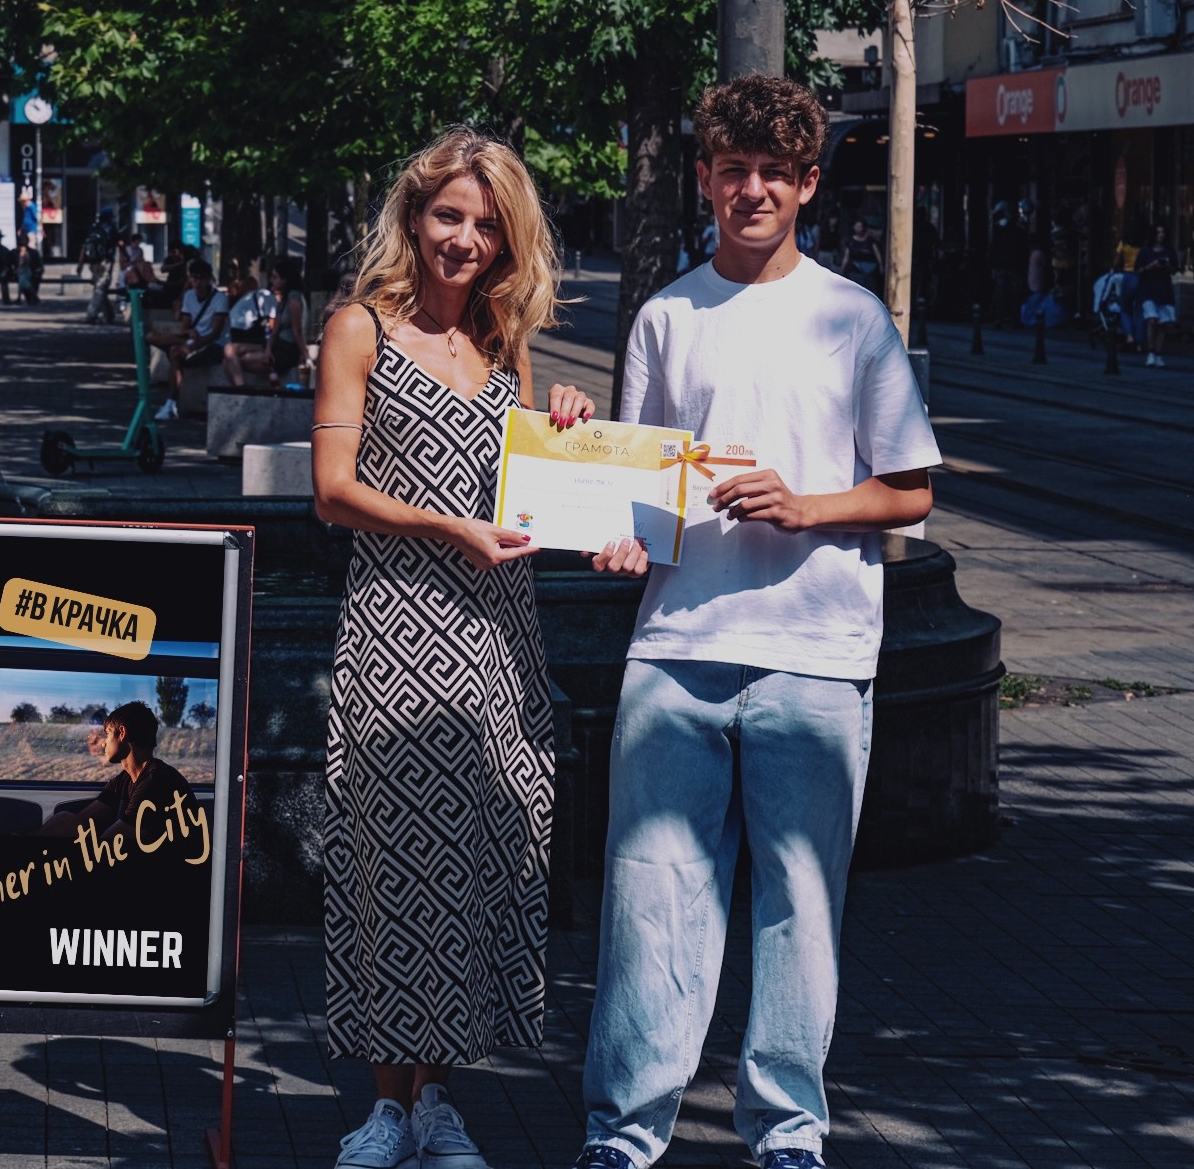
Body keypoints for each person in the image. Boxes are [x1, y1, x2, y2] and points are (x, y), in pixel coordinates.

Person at [571, 76, 938, 1169]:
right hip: (676, 648)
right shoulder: (665, 316)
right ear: (704, 178)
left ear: (807, 185)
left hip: (814, 653)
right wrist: (615, 532)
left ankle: (787, 1130)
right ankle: (624, 1130)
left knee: (801, 907)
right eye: (733, 170)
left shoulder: (852, 317)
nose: (752, 190)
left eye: (774, 173)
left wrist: (805, 505)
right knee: (649, 901)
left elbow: (910, 490)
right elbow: (639, 496)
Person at [313, 126, 591, 1169]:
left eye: (485, 223)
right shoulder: (359, 329)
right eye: (447, 215)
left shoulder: (503, 341)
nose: (463, 239)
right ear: (413, 215)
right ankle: (385, 1107)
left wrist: (563, 422)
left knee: (475, 863)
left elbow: (524, 485)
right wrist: (447, 529)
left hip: (498, 637)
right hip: (398, 630)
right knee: (392, 865)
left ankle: (434, 1099)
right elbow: (331, 493)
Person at [37, 702, 192, 842]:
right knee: (64, 820)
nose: (103, 744)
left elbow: (110, 845)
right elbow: (79, 822)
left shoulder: (156, 782)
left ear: (122, 733)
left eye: (108, 734)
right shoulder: (124, 780)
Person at [149, 259, 230, 421]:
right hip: (192, 339)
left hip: (213, 344)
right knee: (152, 337)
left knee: (175, 353)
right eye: (193, 278)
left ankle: (171, 403)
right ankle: (171, 404)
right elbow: (185, 325)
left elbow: (215, 333)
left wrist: (192, 347)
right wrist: (187, 332)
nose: (197, 283)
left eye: (201, 278)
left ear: (208, 279)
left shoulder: (220, 298)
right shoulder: (189, 295)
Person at [222, 270, 279, 387]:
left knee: (229, 353)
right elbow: (272, 323)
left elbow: (272, 324)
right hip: (253, 341)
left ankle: (241, 387)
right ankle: (240, 388)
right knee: (228, 358)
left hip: (258, 343)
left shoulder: (262, 297)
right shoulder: (262, 297)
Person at [1137, 236, 1176, 367]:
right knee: (1152, 319)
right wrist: (1151, 265)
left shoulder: (1169, 251)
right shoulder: (1145, 251)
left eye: (1163, 232)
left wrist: (1167, 265)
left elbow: (1174, 270)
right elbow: (1139, 270)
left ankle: (1158, 353)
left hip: (1164, 289)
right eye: (1158, 232)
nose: (1161, 235)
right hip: (1148, 288)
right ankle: (1151, 352)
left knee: (1163, 323)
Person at [837, 216, 882, 296]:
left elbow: (877, 253)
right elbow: (846, 256)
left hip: (870, 270)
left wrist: (881, 265)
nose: (858, 228)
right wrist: (842, 268)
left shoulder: (870, 240)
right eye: (856, 226)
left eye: (860, 226)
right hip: (856, 271)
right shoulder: (851, 241)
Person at [16, 236, 45, 304]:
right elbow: (19, 265)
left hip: (30, 272)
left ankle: (21, 297)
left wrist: (38, 272)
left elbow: (39, 266)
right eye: (22, 243)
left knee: (23, 278)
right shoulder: (16, 252)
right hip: (21, 272)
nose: (23, 245)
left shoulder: (33, 252)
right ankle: (34, 297)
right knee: (22, 278)